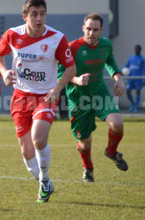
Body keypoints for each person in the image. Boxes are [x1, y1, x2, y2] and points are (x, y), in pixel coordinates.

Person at [0, 0, 77, 202]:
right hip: (20, 96)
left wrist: (57, 89)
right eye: (34, 14)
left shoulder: (57, 38)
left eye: (42, 13)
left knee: (38, 139)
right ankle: (44, 182)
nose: (39, 18)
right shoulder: (12, 35)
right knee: (26, 150)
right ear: (25, 17)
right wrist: (4, 72)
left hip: (46, 96)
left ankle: (45, 180)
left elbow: (71, 68)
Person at [58, 13, 128, 183]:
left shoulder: (106, 45)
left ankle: (111, 152)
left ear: (101, 30)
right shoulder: (72, 47)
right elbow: (60, 73)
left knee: (118, 124)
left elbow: (110, 61)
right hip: (78, 99)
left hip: (100, 93)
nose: (91, 33)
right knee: (85, 143)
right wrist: (76, 79)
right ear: (83, 28)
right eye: (88, 29)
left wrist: (118, 79)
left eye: (95, 30)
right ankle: (88, 168)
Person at [122, 44, 145, 113]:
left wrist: (144, 80)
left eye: (138, 49)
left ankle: (136, 107)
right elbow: (127, 66)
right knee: (128, 91)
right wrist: (121, 71)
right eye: (136, 49)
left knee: (138, 92)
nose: (137, 50)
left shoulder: (142, 59)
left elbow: (144, 70)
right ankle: (132, 103)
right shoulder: (131, 58)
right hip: (130, 78)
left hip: (138, 79)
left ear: (140, 50)